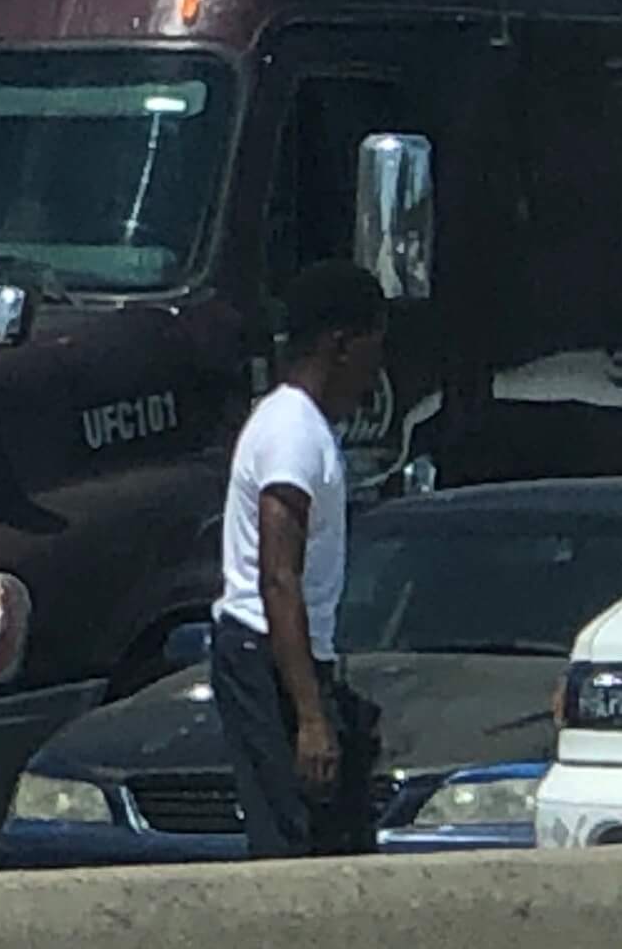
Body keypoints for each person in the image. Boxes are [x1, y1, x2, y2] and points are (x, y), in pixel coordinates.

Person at [211, 257, 388, 858]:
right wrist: (310, 716)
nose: (374, 374)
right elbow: (277, 577)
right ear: (341, 345)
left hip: (294, 658)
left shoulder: (307, 427)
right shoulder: (291, 429)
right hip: (266, 656)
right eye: (372, 350)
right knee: (288, 839)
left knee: (335, 832)